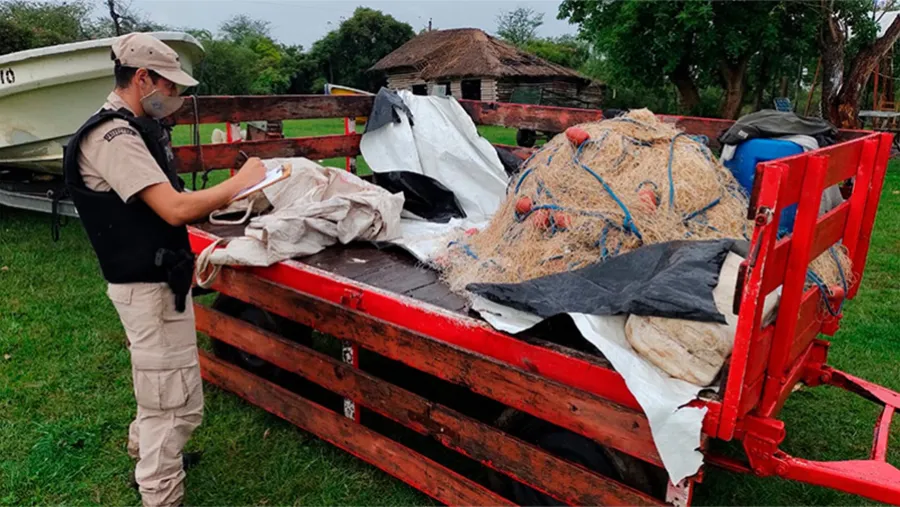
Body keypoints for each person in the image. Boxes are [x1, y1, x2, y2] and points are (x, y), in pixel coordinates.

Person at [62, 32, 266, 507]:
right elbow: (173, 209)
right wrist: (241, 182)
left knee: (156, 385)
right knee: (175, 407)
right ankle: (159, 490)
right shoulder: (112, 137)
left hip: (154, 281)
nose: (174, 96)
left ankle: (146, 455)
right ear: (142, 78)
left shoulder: (131, 128)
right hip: (146, 289)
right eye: (169, 86)